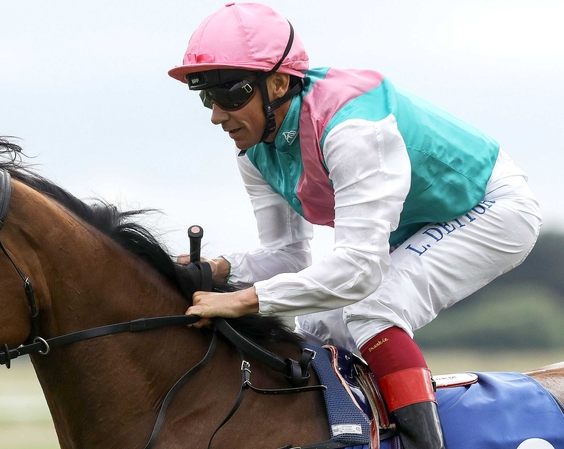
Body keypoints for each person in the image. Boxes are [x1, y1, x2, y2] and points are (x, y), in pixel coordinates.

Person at [168, 3, 541, 449]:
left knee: (374, 306)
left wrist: (244, 300)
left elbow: (361, 269)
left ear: (280, 83)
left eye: (231, 95)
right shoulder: (253, 149)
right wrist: (218, 270)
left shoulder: (352, 130)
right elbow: (289, 256)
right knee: (315, 326)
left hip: (493, 208)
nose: (217, 115)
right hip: (414, 226)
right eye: (207, 97)